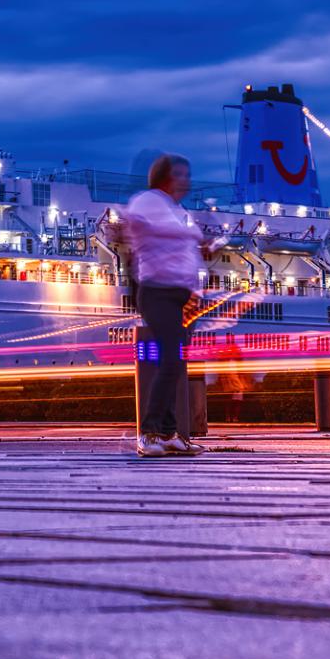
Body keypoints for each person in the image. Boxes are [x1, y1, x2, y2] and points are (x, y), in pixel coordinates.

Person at [120, 154, 214, 457]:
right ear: (163, 176)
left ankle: (170, 433)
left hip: (182, 296)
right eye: (179, 174)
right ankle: (148, 434)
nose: (186, 179)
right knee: (171, 360)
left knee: (176, 364)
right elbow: (135, 221)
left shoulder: (177, 210)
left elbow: (188, 248)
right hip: (157, 292)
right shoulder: (149, 201)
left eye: (188, 174)